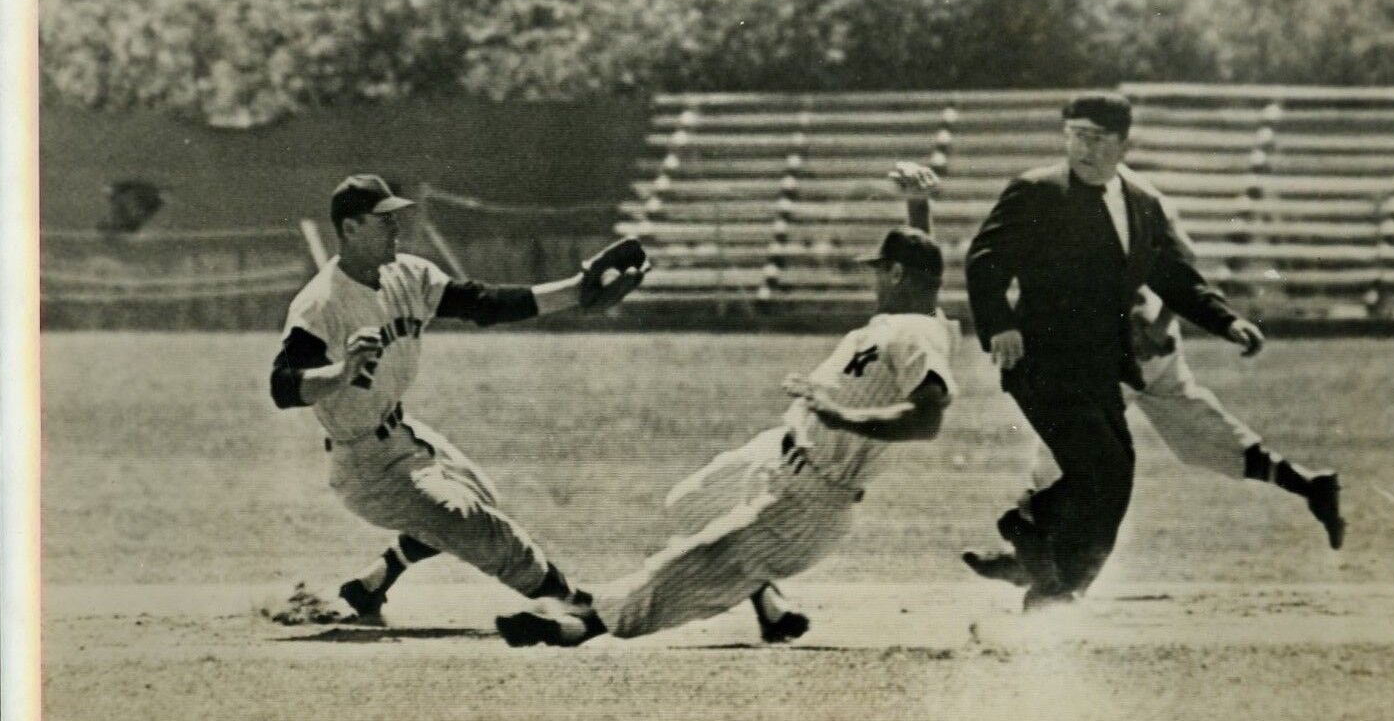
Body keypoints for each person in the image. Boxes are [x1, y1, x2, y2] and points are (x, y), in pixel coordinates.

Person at [493, 163, 958, 647]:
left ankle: (579, 624)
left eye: (881, 271)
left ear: (898, 274)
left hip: (811, 499)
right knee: (690, 502)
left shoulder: (917, 333)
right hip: (775, 458)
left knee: (697, 561)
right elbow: (925, 272)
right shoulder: (916, 317)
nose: (875, 280)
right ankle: (770, 609)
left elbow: (927, 419)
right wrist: (917, 207)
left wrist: (841, 417)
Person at [269, 174, 647, 623]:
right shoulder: (320, 304)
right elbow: (283, 386)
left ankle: (371, 585)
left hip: (405, 436)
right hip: (362, 462)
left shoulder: (407, 275)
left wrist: (575, 291)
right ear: (349, 229)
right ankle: (568, 601)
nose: (396, 228)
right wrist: (340, 372)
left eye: (396, 219)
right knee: (464, 518)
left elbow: (482, 303)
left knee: (477, 497)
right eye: (383, 220)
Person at [961, 92, 1278, 608]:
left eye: (1098, 138)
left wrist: (1227, 321)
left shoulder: (1142, 204)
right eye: (1075, 134)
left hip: (1103, 366)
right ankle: (1037, 546)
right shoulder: (1036, 191)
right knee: (1100, 470)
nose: (1083, 148)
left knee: (1114, 476)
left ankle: (1047, 573)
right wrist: (998, 325)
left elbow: (1175, 277)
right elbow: (985, 261)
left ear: (1124, 144)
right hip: (1040, 360)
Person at [962, 277, 1347, 591]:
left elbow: (1171, 270)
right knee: (1204, 437)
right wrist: (1161, 327)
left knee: (1068, 457)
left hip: (1125, 348)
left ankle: (1046, 573)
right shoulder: (1122, 202)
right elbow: (1174, 270)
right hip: (1149, 345)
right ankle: (1310, 485)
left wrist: (1152, 327)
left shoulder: (1105, 202)